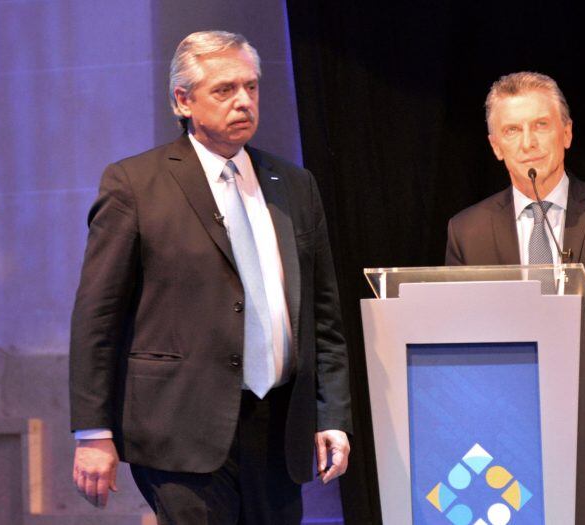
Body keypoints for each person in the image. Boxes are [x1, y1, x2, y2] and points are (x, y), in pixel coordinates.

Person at [69, 30, 352, 524]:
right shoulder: (136, 184)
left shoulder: (295, 186)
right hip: (181, 429)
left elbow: (322, 318)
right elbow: (98, 316)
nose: (244, 101)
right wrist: (93, 432)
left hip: (279, 428)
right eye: (225, 90)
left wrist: (332, 416)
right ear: (183, 100)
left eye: (252, 86)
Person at [445, 72, 585, 524]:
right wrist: (508, 425)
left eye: (541, 125)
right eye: (512, 130)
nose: (529, 143)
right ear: (495, 146)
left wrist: (574, 420)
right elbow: (462, 343)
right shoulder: (467, 231)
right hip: (504, 426)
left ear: (567, 132)